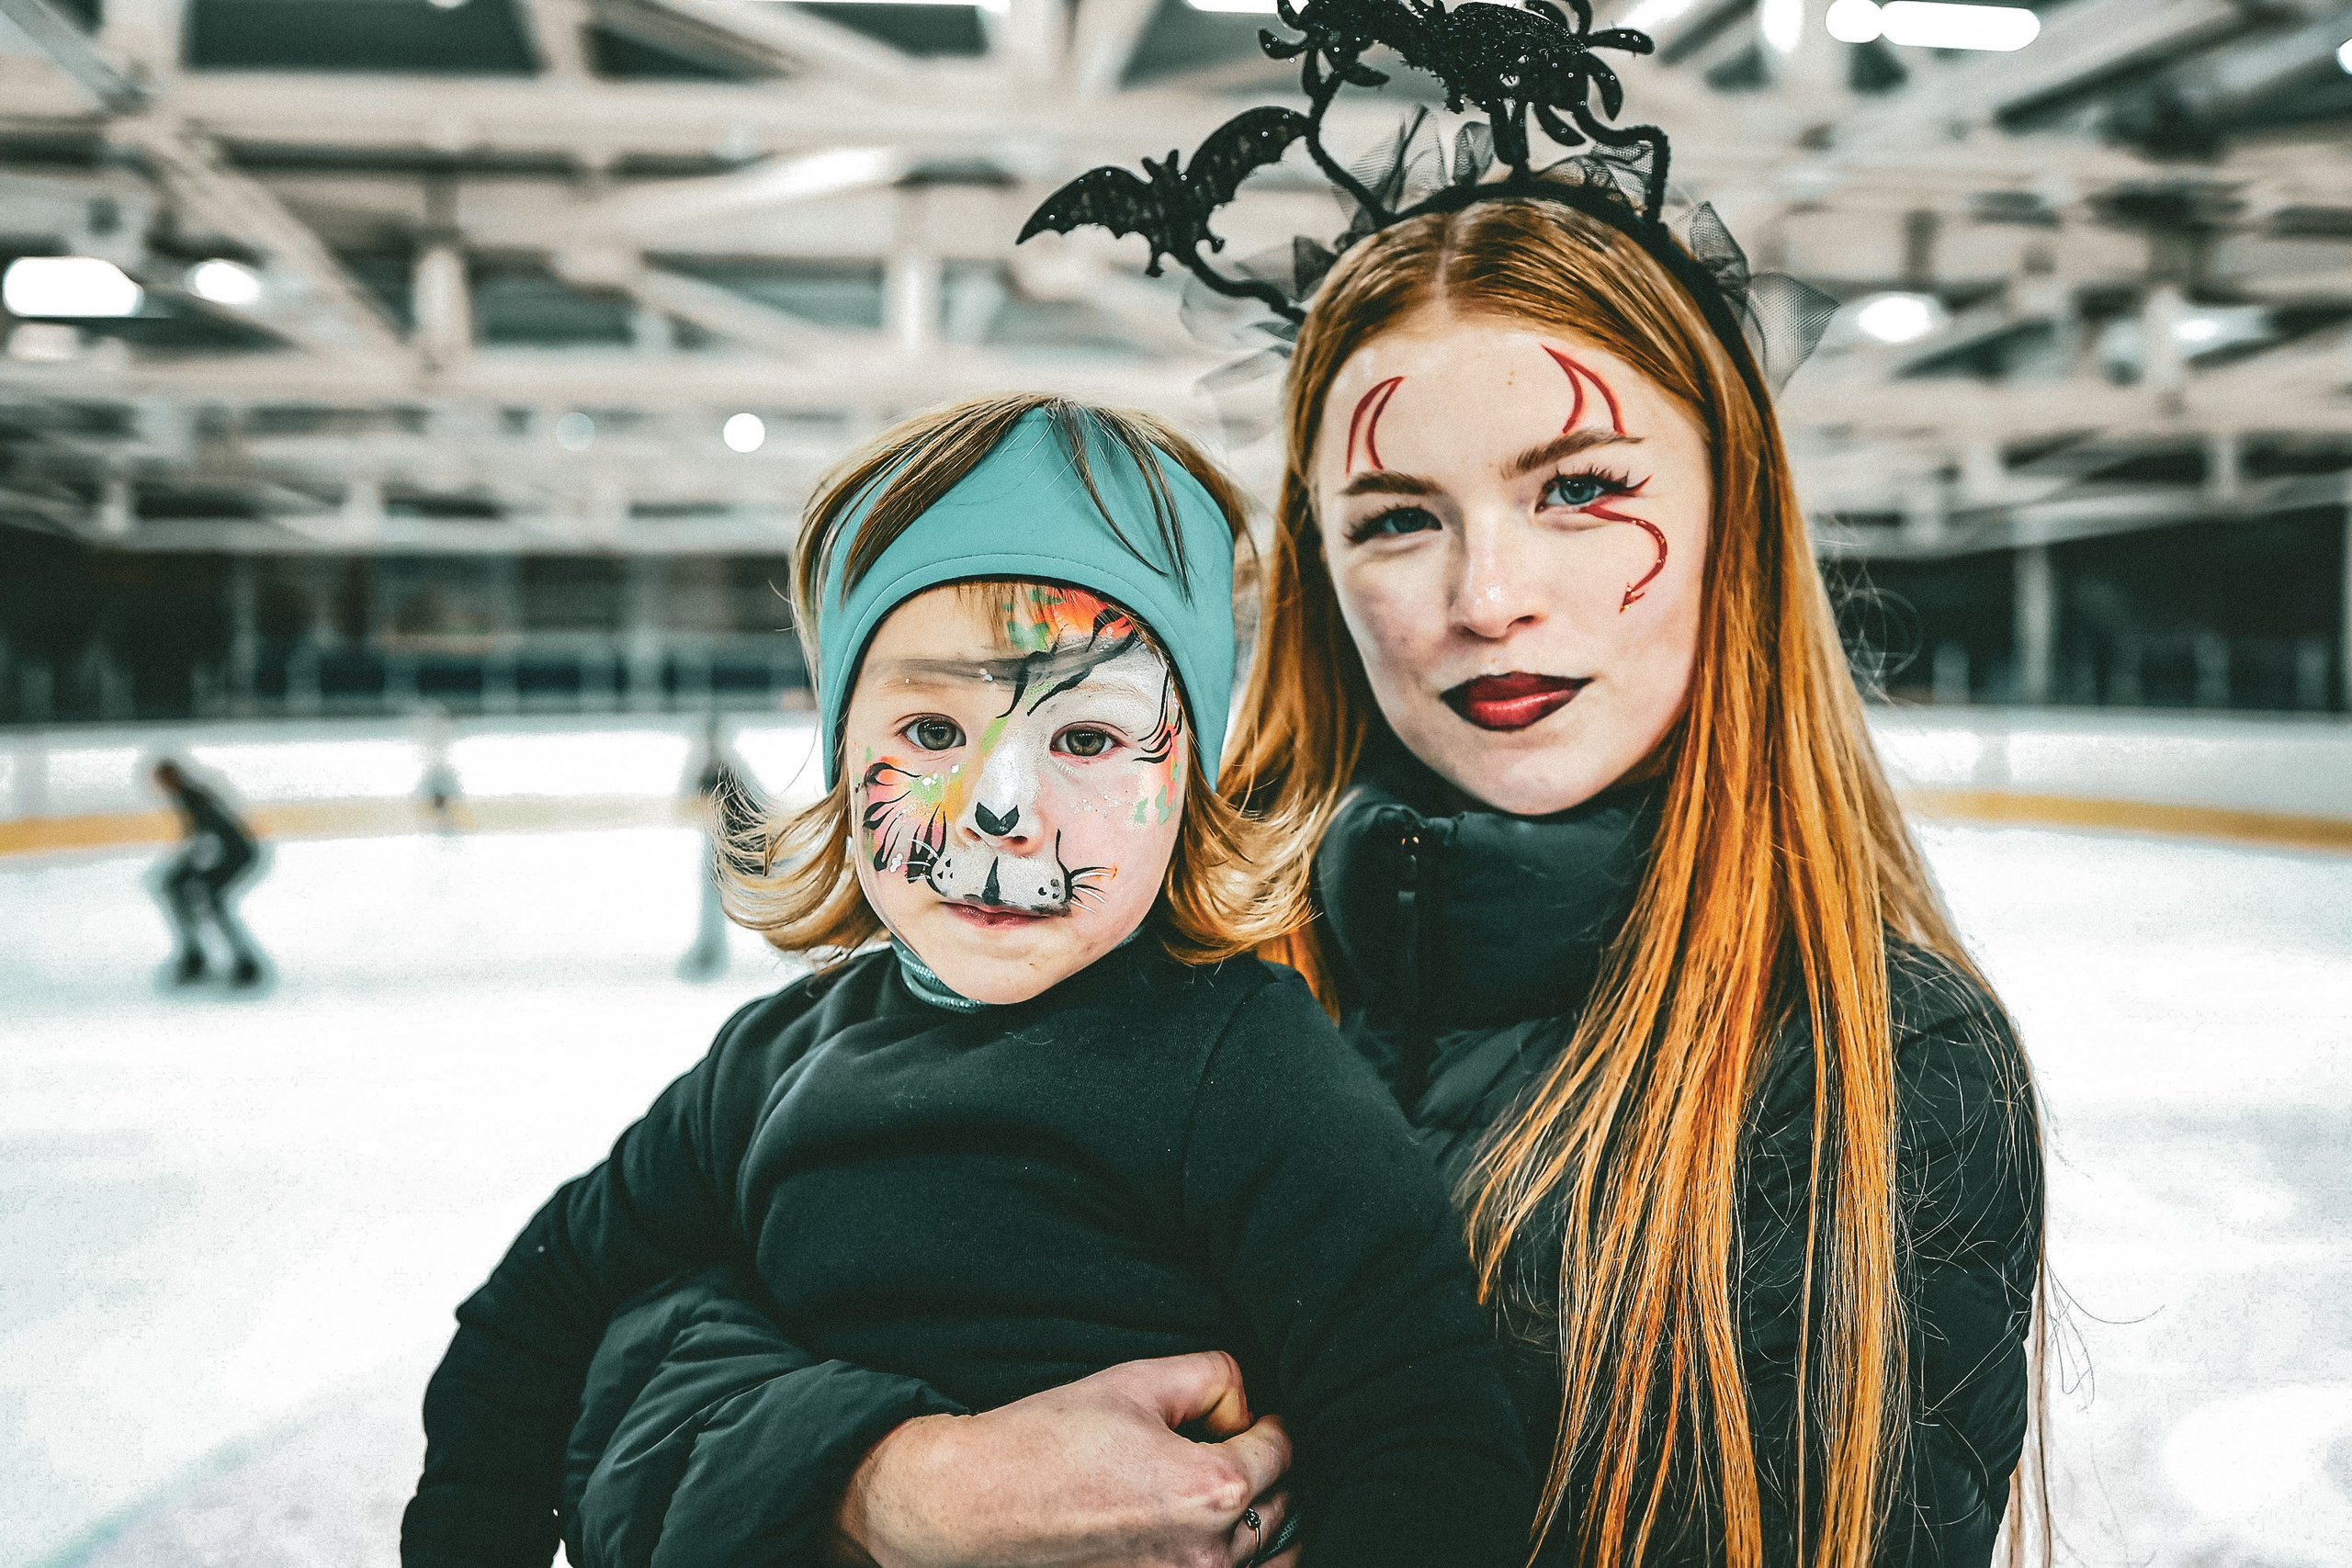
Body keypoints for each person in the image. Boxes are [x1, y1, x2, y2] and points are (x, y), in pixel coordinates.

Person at [421, 3, 2050, 1563]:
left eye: (1579, 488)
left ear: (1732, 517)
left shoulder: (1879, 1069)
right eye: (1395, 517)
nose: (1488, 594)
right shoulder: (1105, 958)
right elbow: (604, 1338)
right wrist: (890, 1485)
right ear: (1322, 569)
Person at [402, 394, 1535, 1568]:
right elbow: (530, 1324)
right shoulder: (767, 1067)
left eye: (1086, 740)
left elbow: (1432, 1448)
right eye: (934, 732)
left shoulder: (1249, 1067)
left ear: (1188, 788)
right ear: (841, 755)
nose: (1000, 807)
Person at [149, 757, 268, 988]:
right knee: (186, 892)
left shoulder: (192, 796)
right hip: (229, 852)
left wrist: (186, 867)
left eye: (162, 780)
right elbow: (200, 834)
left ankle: (237, 962)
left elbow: (209, 832)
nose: (160, 786)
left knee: (207, 898)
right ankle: (203, 956)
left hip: (235, 854)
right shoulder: (187, 795)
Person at [677, 709, 760, 980]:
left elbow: (753, 810)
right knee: (714, 902)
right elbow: (687, 804)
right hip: (721, 848)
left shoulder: (729, 768)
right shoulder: (707, 767)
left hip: (738, 848)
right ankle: (711, 952)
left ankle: (711, 953)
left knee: (723, 901)